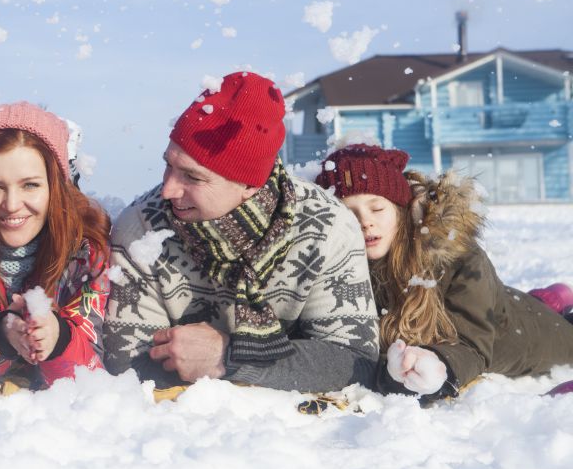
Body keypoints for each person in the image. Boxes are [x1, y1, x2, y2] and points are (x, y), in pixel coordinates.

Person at [104, 71, 380, 393]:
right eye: (169, 165)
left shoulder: (326, 227)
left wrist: (231, 358)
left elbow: (355, 364)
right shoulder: (142, 229)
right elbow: (125, 366)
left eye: (192, 177)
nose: (167, 189)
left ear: (250, 184)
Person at [316, 143, 573, 399]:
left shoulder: (454, 256)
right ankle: (549, 299)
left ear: (399, 208)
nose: (365, 222)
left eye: (377, 208)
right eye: (350, 213)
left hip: (522, 333)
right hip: (495, 303)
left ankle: (549, 304)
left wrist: (440, 363)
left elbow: (472, 346)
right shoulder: (341, 263)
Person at [0, 101, 112, 388]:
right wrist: (3, 333)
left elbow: (89, 380)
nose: (11, 205)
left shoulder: (84, 255)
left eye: (30, 185)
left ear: (54, 187)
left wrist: (57, 338)